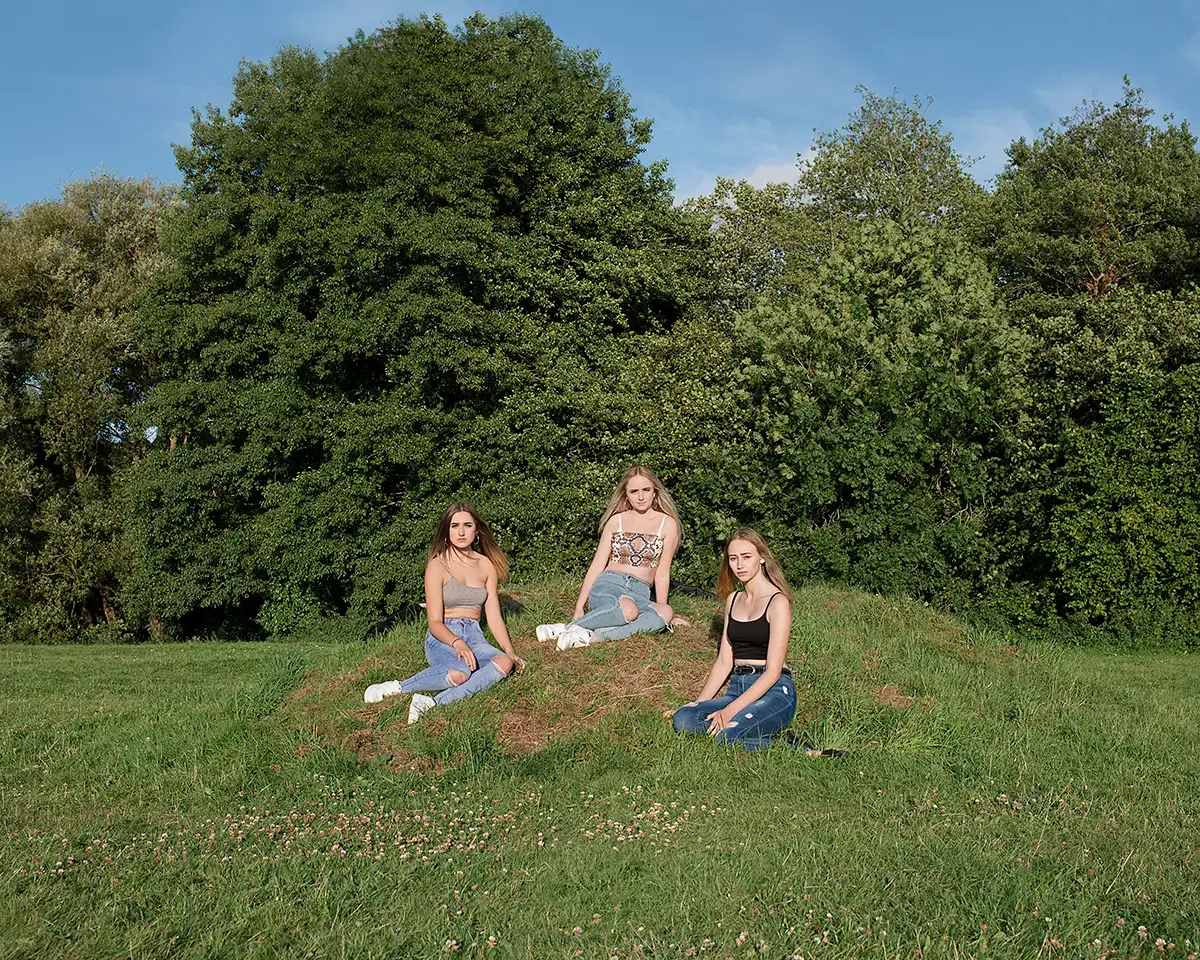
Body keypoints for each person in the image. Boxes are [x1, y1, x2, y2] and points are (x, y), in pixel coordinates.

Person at [364, 501, 524, 723]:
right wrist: (457, 642)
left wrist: (509, 650)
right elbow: (434, 623)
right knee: (460, 673)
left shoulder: (486, 565)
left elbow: (494, 616)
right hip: (443, 636)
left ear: (476, 530)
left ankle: (433, 704)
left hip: (475, 635)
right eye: (454, 525)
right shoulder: (437, 566)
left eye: (467, 525)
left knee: (504, 663)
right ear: (446, 532)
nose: (461, 531)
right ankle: (399, 687)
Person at [672, 527, 795, 750]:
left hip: (773, 690)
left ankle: (804, 752)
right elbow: (724, 661)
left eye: (746, 557)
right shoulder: (733, 600)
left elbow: (773, 671)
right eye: (733, 559)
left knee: (728, 736)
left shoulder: (778, 602)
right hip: (737, 687)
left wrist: (729, 711)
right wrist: (700, 702)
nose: (739, 565)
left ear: (762, 558)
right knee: (684, 718)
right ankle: (759, 736)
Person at [537, 465, 680, 649]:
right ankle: (570, 627)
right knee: (629, 610)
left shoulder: (667, 524)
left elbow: (661, 573)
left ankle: (591, 636)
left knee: (665, 612)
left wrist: (661, 609)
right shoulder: (616, 521)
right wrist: (579, 608)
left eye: (646, 490)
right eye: (634, 491)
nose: (641, 496)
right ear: (626, 494)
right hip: (609, 585)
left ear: (655, 492)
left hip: (641, 592)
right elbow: (597, 566)